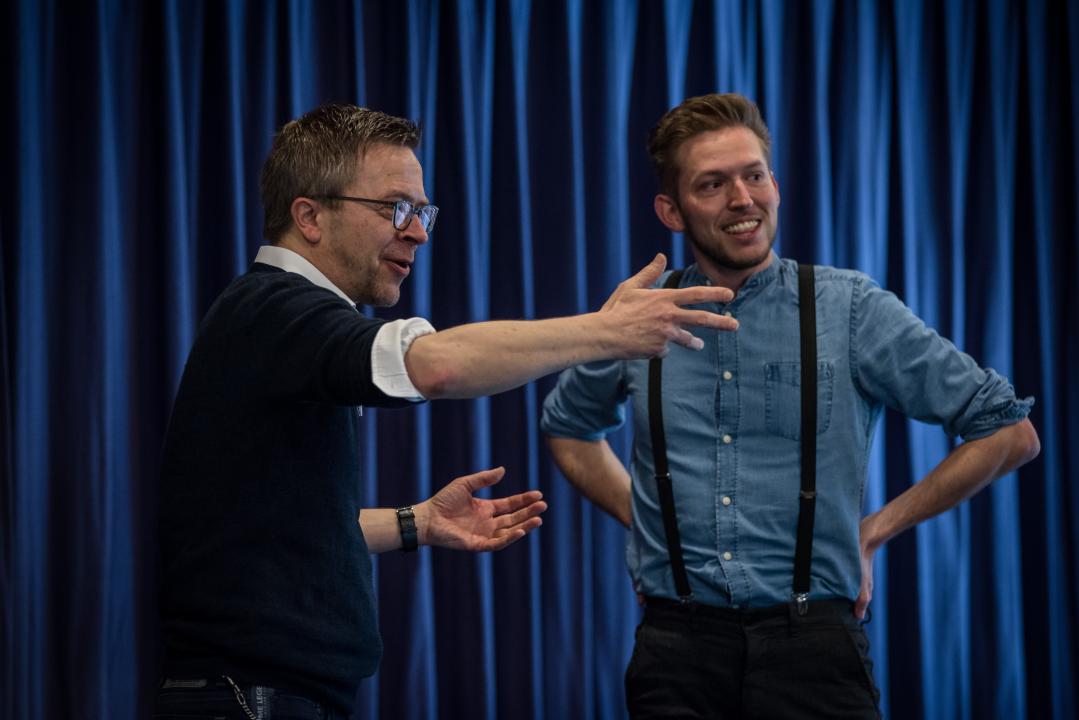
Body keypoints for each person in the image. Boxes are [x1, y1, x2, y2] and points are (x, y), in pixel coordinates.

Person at [155, 104, 739, 720]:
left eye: (422, 212)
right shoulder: (274, 311)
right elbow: (437, 367)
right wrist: (605, 331)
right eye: (395, 209)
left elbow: (284, 527)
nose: (418, 233)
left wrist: (421, 523)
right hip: (248, 702)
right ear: (310, 216)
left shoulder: (276, 321)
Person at [541, 93, 1040, 720]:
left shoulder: (850, 307)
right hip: (676, 652)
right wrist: (649, 525)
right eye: (712, 185)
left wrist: (873, 532)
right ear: (671, 211)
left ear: (775, 185)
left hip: (815, 650)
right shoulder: (637, 318)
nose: (742, 199)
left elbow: (1008, 432)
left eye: (754, 176)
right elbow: (568, 426)